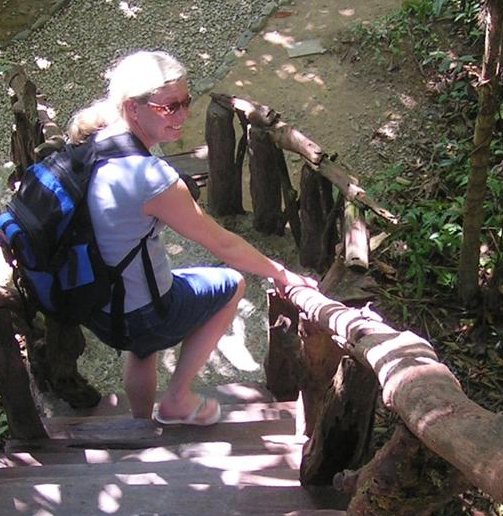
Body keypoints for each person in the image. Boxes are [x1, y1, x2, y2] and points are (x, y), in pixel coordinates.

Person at [67, 49, 316, 426]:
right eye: (169, 107)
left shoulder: (96, 142)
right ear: (133, 108)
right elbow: (223, 245)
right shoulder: (149, 177)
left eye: (185, 102)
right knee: (230, 284)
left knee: (142, 348)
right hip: (143, 316)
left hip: (98, 306)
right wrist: (281, 273)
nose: (183, 116)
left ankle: (140, 425)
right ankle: (177, 399)